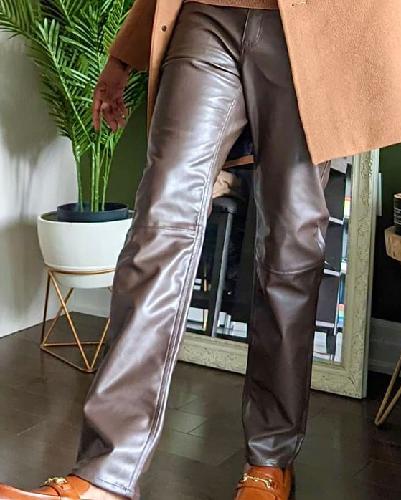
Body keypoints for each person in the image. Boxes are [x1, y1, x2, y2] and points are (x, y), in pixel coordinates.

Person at [1, 1, 401, 499]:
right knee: (158, 225)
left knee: (291, 244)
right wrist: (122, 57)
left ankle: (270, 463)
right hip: (206, 16)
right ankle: (104, 475)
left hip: (311, 30)